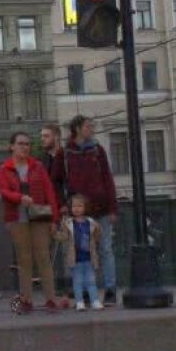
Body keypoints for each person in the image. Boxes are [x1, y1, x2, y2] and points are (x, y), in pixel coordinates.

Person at [0, 131, 61, 314]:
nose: (25, 147)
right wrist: (19, 197)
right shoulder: (5, 169)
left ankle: (50, 298)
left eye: (27, 144)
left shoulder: (37, 166)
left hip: (39, 216)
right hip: (17, 218)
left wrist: (54, 218)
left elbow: (49, 191)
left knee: (43, 257)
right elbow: (3, 191)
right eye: (21, 143)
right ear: (12, 146)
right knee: (24, 259)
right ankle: (26, 300)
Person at [64, 115, 119, 306]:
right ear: (78, 128)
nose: (92, 129)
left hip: (101, 207)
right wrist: (65, 204)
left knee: (105, 248)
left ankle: (110, 290)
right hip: (79, 210)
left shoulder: (97, 150)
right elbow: (58, 179)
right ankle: (86, 291)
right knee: (81, 252)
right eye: (88, 126)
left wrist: (113, 207)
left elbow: (107, 178)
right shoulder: (67, 152)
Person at [38, 123, 71, 302]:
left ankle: (67, 284)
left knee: (65, 247)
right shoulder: (43, 160)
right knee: (52, 249)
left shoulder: (64, 157)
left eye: (46, 136)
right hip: (48, 209)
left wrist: (66, 203)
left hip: (63, 207)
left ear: (56, 137)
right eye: (42, 136)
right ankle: (55, 285)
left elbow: (67, 182)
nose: (43, 139)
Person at [60, 194, 103, 311]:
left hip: (89, 258)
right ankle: (79, 302)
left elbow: (97, 235)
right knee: (77, 282)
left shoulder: (91, 222)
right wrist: (56, 233)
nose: (77, 208)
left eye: (80, 206)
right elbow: (63, 237)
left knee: (91, 281)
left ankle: (95, 300)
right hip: (76, 258)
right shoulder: (68, 223)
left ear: (85, 207)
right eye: (74, 206)